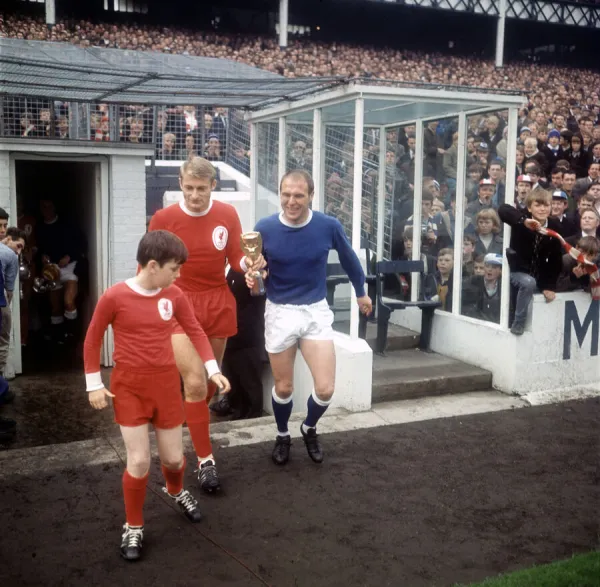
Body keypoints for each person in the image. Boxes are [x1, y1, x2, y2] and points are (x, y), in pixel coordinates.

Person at [83, 230, 230, 561]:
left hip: (165, 387)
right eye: (174, 268)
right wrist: (93, 382)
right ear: (152, 265)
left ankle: (175, 490)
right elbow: (92, 339)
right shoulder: (114, 297)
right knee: (138, 460)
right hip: (129, 389)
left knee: (174, 460)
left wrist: (212, 370)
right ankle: (133, 525)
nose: (178, 276)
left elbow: (194, 330)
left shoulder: (174, 295)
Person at [148, 156, 263, 493]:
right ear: (180, 185)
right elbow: (150, 265)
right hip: (180, 302)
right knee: (196, 383)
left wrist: (250, 264)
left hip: (217, 301)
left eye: (201, 188)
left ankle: (190, 415)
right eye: (188, 188)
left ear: (213, 186)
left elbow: (236, 261)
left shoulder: (227, 215)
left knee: (209, 388)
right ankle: (206, 462)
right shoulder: (163, 218)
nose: (194, 195)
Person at [248, 169, 372, 466]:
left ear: (311, 196)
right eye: (286, 195)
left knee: (326, 388)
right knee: (284, 387)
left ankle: (309, 428)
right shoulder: (264, 228)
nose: (291, 201)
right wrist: (255, 280)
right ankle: (282, 435)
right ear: (280, 194)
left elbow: (349, 258)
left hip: (315, 311)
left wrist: (361, 291)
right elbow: (257, 278)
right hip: (280, 311)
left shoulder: (327, 225)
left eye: (299, 195)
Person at [498, 190, 563, 336]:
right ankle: (518, 323)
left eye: (546, 205)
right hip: (516, 271)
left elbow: (555, 259)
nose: (542, 209)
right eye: (538, 205)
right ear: (529, 207)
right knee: (528, 283)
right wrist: (524, 221)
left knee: (534, 285)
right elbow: (503, 209)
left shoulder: (554, 225)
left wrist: (549, 286)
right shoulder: (522, 218)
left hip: (538, 275)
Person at [0, 228, 26, 378]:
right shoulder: (10, 256)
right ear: (8, 239)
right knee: (3, 340)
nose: (19, 252)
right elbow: (9, 290)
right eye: (19, 246)